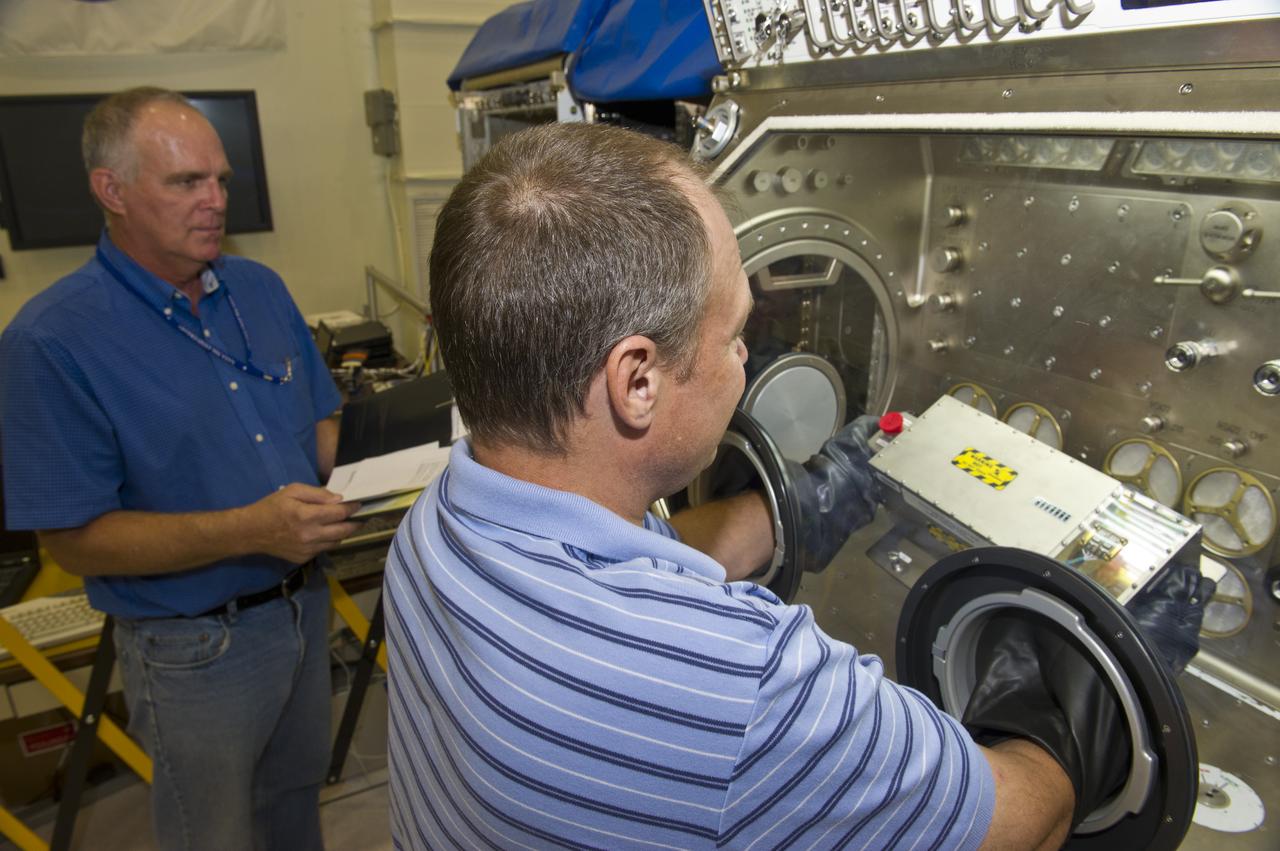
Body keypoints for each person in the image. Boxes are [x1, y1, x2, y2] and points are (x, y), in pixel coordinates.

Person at [384, 123, 1204, 850]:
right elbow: (1019, 826)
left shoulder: (434, 528)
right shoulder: (743, 688)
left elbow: (630, 570)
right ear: (636, 381)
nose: (744, 358)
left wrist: (799, 504)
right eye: (734, 334)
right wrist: (1080, 679)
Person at [0, 87, 360, 849]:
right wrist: (250, 530)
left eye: (221, 179)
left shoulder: (259, 289)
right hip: (195, 651)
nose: (215, 200)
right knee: (213, 835)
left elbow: (319, 427)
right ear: (112, 190)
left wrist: (402, 460)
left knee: (295, 816)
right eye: (186, 181)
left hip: (303, 608)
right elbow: (74, 541)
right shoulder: (51, 340)